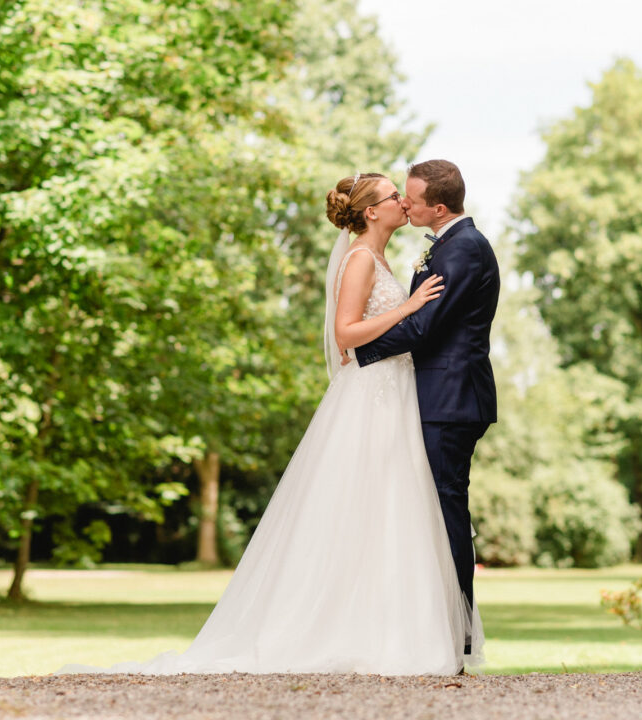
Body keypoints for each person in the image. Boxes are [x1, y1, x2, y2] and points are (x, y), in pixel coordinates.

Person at [57, 172, 483, 677]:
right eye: (395, 197)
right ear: (372, 212)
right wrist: (408, 308)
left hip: (396, 396)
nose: (402, 203)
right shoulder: (361, 259)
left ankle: (392, 629)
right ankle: (337, 629)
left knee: (391, 508)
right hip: (371, 395)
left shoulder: (385, 258)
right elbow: (345, 333)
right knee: (359, 504)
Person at [354, 160, 499, 656]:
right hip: (437, 395)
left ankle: (454, 633)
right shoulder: (450, 246)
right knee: (430, 512)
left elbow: (423, 329)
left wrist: (362, 356)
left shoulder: (463, 250)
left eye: (411, 199)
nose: (404, 205)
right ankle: (434, 628)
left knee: (444, 510)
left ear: (438, 207)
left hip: (449, 400)